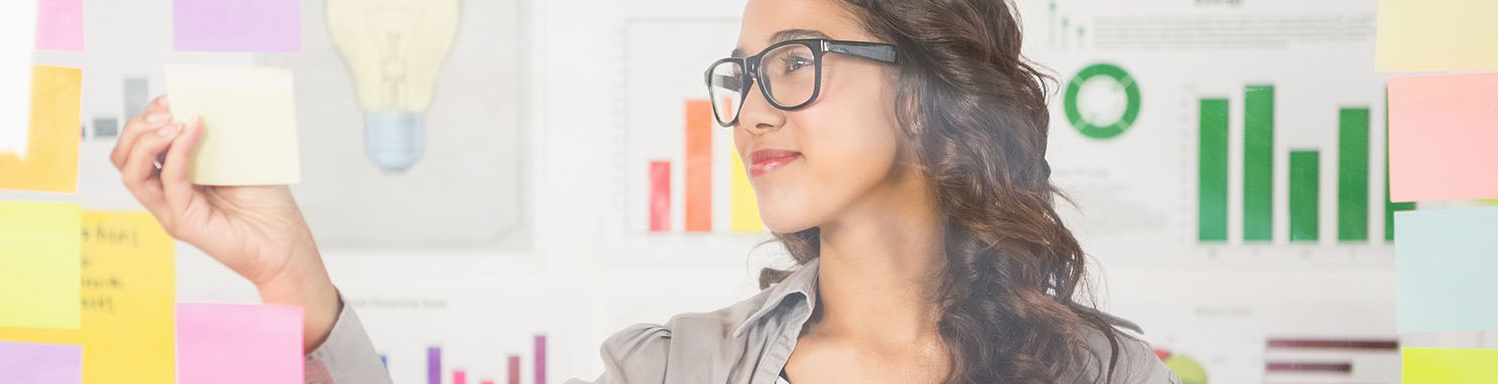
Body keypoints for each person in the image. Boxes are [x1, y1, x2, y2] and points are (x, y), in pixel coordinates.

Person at [112, 0, 1178, 382]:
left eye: (794, 63)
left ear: (930, 90)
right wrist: (292, 282)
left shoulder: (1110, 375)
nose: (755, 109)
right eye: (744, 76)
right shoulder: (680, 367)